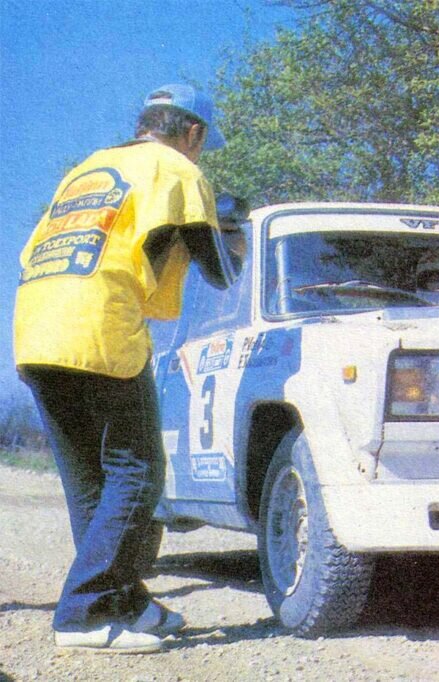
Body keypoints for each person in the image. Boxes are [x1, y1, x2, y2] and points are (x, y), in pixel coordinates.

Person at [13, 83, 242, 653]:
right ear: (193, 133)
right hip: (99, 325)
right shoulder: (178, 169)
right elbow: (219, 271)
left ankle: (124, 601)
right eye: (201, 143)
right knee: (137, 470)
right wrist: (230, 230)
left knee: (90, 482)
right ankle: (84, 613)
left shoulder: (89, 170)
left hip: (35, 328)